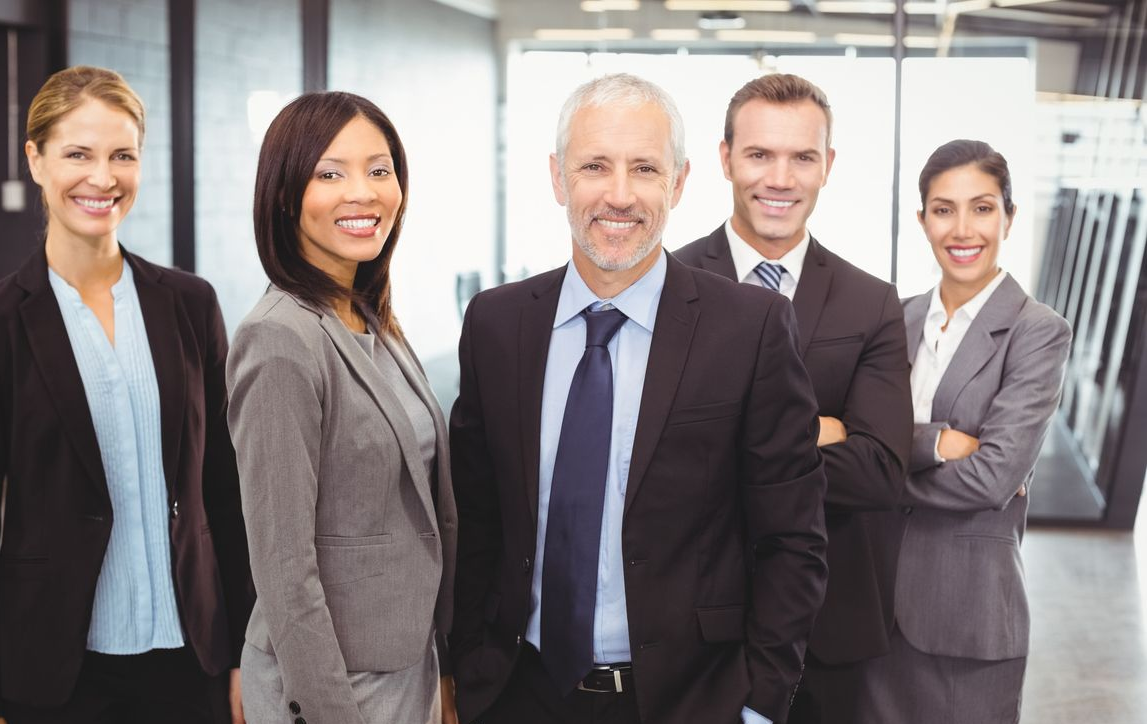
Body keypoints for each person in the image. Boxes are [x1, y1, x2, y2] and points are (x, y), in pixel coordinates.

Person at [448, 72, 828, 724]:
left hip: (690, 701)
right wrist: (466, 675)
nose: (619, 195)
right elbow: (478, 521)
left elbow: (791, 539)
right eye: (595, 165)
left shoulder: (751, 327)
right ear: (558, 178)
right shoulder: (496, 325)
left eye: (644, 169)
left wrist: (761, 703)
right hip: (521, 693)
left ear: (678, 183)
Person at [0, 66, 253, 724]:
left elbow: (226, 493)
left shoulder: (191, 305)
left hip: (190, 657)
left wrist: (247, 652)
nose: (103, 178)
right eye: (78, 154)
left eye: (123, 156)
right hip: (55, 672)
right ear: (35, 158)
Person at [673, 73, 911, 723]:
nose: (780, 178)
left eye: (802, 156)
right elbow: (654, 460)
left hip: (831, 632)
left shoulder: (871, 303)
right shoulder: (668, 287)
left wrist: (734, 442)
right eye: (759, 155)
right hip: (695, 625)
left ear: (827, 166)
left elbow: (881, 473)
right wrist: (814, 432)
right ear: (725, 159)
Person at [225, 91, 457, 724]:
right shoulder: (279, 339)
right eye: (330, 173)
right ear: (283, 194)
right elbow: (283, 566)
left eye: (379, 170)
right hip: (337, 687)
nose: (363, 192)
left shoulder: (368, 314)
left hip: (407, 666)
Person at [860, 139, 1072, 723]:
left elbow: (991, 479)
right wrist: (934, 443)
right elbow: (857, 443)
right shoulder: (892, 320)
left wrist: (878, 467)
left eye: (981, 207)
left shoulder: (1037, 333)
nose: (963, 228)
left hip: (967, 616)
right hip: (872, 609)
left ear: (1009, 215)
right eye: (943, 208)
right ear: (923, 218)